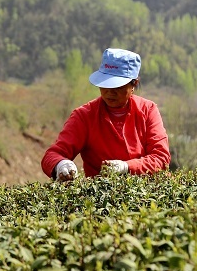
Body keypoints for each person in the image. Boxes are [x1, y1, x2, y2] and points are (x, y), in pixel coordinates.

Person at [41, 48, 171, 181]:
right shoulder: (84, 116)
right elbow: (52, 155)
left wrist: (127, 167)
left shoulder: (148, 110)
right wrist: (61, 164)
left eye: (117, 86)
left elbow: (161, 158)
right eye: (105, 84)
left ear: (134, 84)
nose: (110, 92)